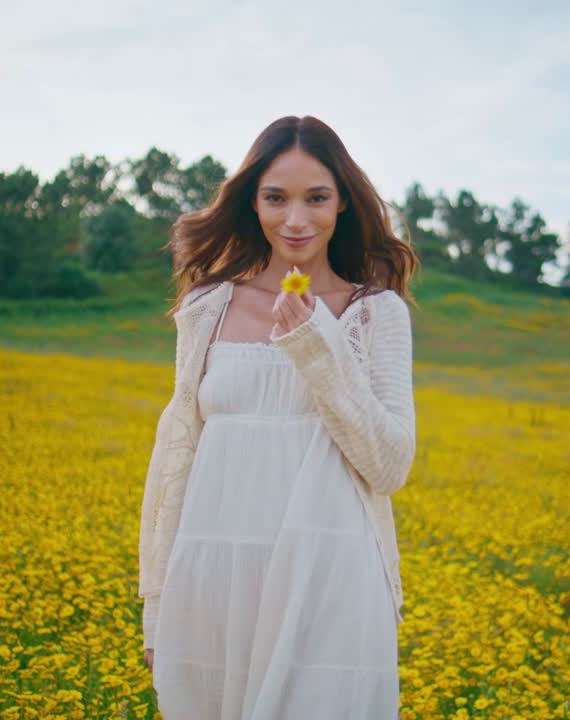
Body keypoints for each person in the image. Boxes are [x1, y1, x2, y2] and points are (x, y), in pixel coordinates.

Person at [137, 115, 419, 719]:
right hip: (213, 577)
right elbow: (179, 457)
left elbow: (390, 465)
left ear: (343, 202)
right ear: (253, 202)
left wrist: (319, 347)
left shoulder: (377, 313)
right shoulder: (206, 306)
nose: (296, 220)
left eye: (316, 198)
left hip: (329, 576)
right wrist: (158, 604)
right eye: (276, 198)